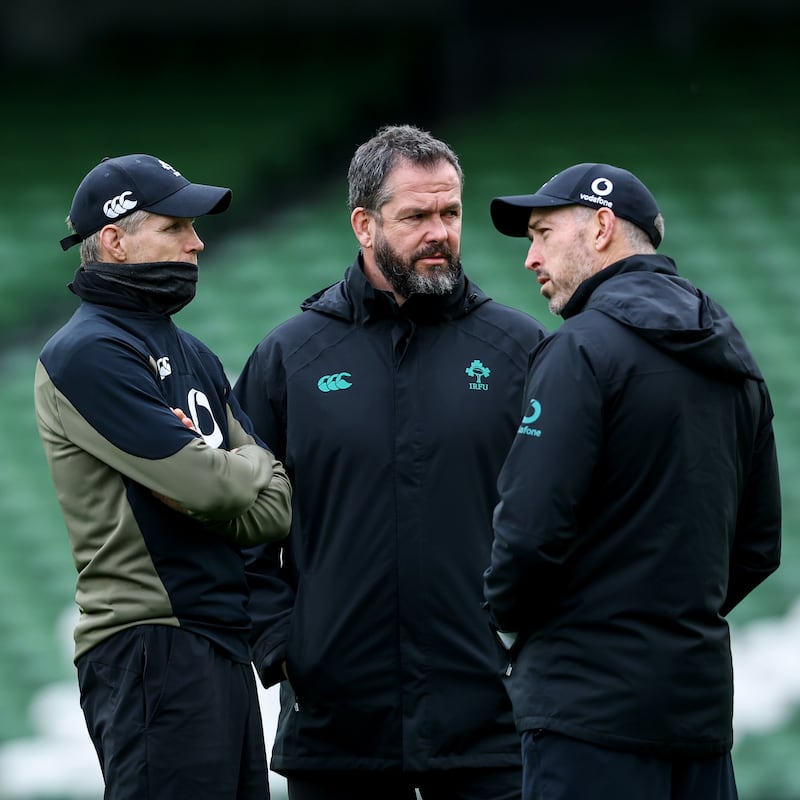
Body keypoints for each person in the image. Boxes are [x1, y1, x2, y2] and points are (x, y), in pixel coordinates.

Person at [233, 124, 548, 800]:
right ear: (364, 224)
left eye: (450, 212)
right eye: (416, 216)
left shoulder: (520, 349)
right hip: (336, 729)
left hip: (491, 726)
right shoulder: (290, 357)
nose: (439, 231)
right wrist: (286, 647)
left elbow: (565, 509)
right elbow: (238, 519)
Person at [482, 162, 782, 800]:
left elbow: (529, 531)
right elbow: (758, 547)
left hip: (586, 714)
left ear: (600, 227)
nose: (530, 258)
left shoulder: (580, 349)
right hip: (696, 716)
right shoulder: (736, 360)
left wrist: (509, 618)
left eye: (541, 233)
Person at [34, 153, 293, 800]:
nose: (197, 241)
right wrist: (235, 472)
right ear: (115, 241)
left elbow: (275, 506)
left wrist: (230, 473)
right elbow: (213, 488)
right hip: (151, 645)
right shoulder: (87, 352)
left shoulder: (192, 352)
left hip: (219, 644)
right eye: (176, 225)